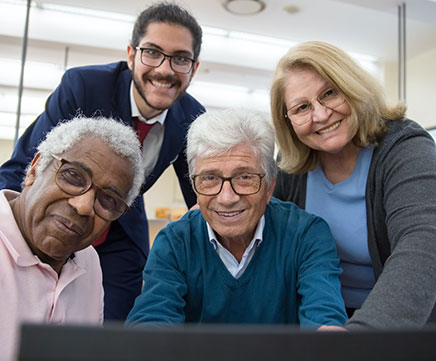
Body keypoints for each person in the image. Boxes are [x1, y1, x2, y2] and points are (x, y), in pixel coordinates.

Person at [0, 2, 205, 321]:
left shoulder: (192, 118)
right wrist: (13, 242)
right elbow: (28, 163)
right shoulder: (84, 86)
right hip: (52, 214)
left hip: (118, 225)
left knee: (112, 324)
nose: (164, 70)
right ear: (131, 54)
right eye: (152, 52)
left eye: (180, 59)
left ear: (193, 68)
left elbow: (202, 195)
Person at [126, 109, 347, 328]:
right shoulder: (175, 242)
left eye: (244, 177)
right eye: (210, 178)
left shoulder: (307, 235)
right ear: (195, 187)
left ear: (269, 187)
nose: (227, 197)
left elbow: (324, 320)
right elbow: (151, 321)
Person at [270, 41, 436, 329]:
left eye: (330, 93)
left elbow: (423, 243)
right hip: (319, 318)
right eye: (302, 107)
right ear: (288, 121)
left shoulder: (405, 147)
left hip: (396, 325)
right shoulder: (289, 165)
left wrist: (359, 341)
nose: (320, 115)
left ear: (353, 87)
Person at [0, 116, 145, 361]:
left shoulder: (89, 263)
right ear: (35, 170)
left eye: (108, 199)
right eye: (73, 176)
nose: (83, 206)